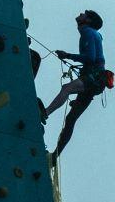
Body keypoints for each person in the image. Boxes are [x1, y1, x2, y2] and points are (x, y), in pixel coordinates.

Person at [43, 9, 110, 158]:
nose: (81, 13)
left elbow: (90, 58)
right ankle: (56, 156)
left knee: (67, 88)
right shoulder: (93, 34)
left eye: (84, 13)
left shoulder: (88, 32)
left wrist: (68, 55)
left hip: (94, 77)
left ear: (88, 20)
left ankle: (45, 113)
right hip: (96, 81)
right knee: (71, 119)